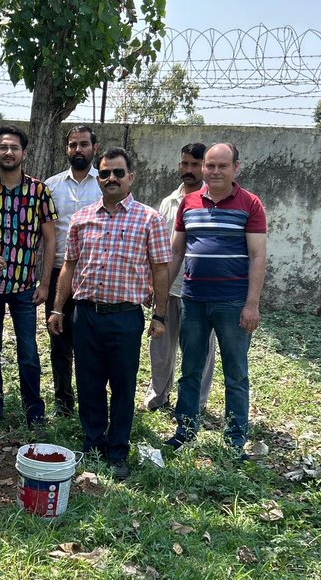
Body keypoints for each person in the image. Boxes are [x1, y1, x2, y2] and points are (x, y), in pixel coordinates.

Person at [48, 147, 171, 481]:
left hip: (125, 318)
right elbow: (69, 266)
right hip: (86, 315)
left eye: (118, 172)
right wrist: (58, 307)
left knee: (122, 386)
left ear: (131, 177)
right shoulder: (82, 218)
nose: (111, 178)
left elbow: (161, 269)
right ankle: (92, 444)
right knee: (88, 383)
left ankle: (117, 451)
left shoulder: (150, 219)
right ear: (98, 178)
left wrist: (160, 316)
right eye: (105, 173)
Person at [166, 142, 268, 458]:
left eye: (222, 166)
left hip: (233, 304)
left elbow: (258, 256)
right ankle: (185, 431)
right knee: (190, 369)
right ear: (203, 168)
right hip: (193, 301)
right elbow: (176, 252)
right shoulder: (188, 203)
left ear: (236, 168)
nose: (215, 171)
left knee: (236, 373)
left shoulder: (250, 204)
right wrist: (160, 293)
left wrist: (252, 304)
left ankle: (235, 439)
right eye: (210, 165)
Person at [0, 124, 57, 428]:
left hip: (25, 286)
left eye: (14, 148)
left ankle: (34, 411)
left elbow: (50, 239)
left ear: (24, 153)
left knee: (29, 352)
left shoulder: (39, 191)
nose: (8, 152)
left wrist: (45, 283)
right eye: (3, 147)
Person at [144, 143, 216, 413]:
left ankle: (196, 402)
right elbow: (157, 247)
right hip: (168, 288)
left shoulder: (214, 201)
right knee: (160, 347)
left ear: (204, 167)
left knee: (199, 350)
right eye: (184, 163)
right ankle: (158, 395)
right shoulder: (169, 202)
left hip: (200, 291)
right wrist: (152, 282)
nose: (189, 169)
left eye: (195, 164)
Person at [45, 125, 100, 417]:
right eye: (73, 145)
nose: (78, 149)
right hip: (59, 274)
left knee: (91, 343)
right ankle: (63, 401)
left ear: (95, 148)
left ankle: (91, 402)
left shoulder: (105, 184)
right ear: (66, 149)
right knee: (59, 340)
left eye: (84, 144)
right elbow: (44, 235)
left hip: (94, 276)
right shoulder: (51, 186)